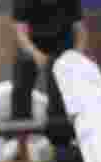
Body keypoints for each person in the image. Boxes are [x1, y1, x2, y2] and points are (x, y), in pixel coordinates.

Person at [11, 0, 86, 152]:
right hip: (32, 44)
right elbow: (20, 31)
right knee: (20, 86)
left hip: (62, 44)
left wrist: (77, 55)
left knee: (58, 90)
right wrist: (35, 54)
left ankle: (61, 145)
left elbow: (80, 30)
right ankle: (21, 145)